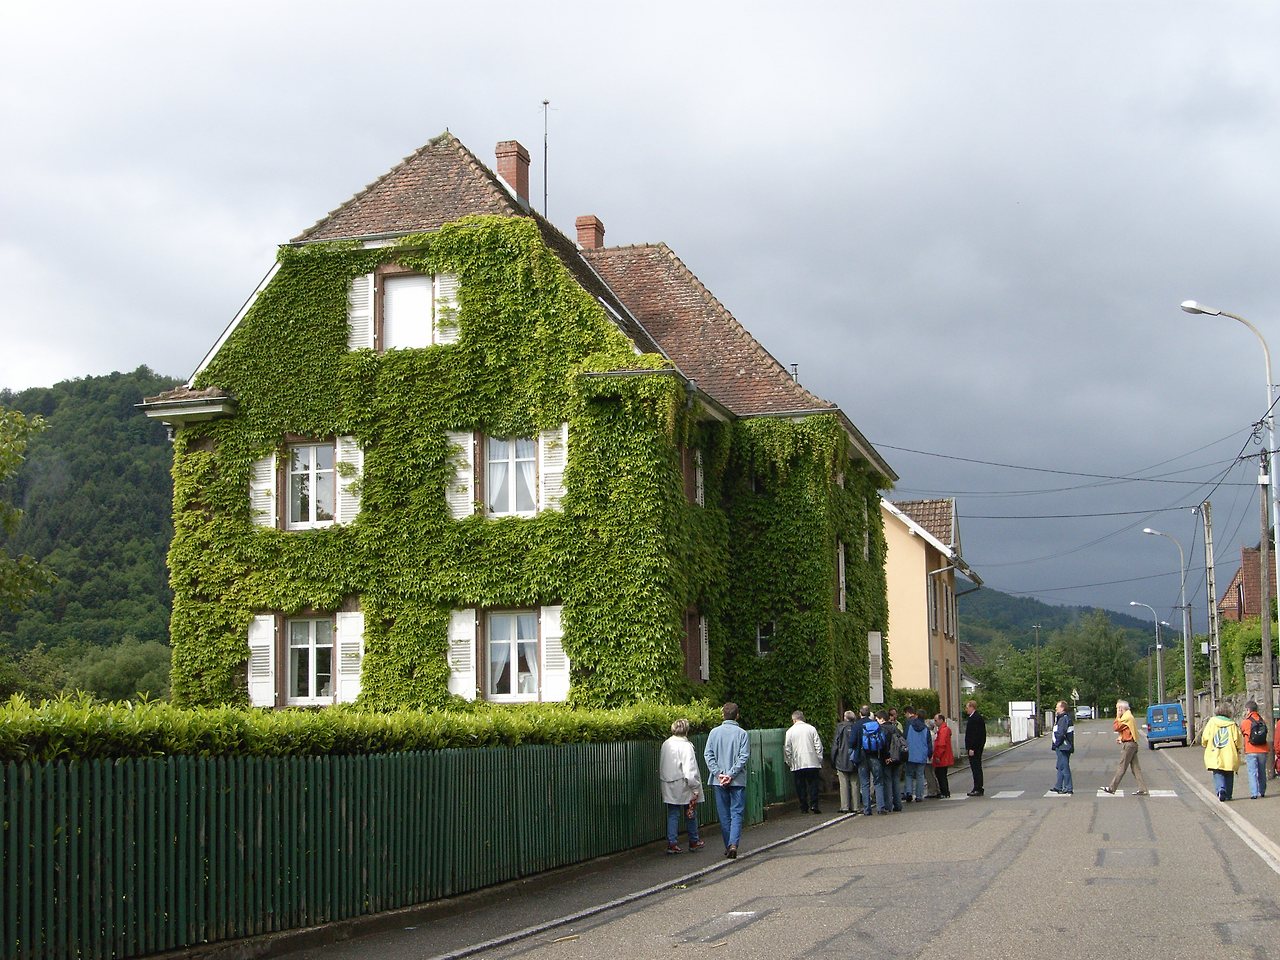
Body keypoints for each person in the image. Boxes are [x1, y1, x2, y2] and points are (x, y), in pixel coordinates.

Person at [704, 702, 751, 859]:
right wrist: (731, 774)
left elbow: (708, 755)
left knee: (724, 815)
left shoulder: (714, 733)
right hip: (737, 780)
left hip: (718, 781)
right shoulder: (742, 734)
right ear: (737, 715)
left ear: (722, 714)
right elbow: (743, 757)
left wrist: (719, 774)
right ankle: (733, 844)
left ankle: (728, 845)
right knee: (736, 813)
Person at [658, 718, 705, 853]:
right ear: (686, 730)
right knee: (690, 812)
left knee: (673, 813)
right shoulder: (686, 746)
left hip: (668, 782)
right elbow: (690, 769)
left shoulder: (666, 743)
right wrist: (695, 787)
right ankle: (694, 841)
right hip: (683, 783)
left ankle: (672, 843)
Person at [1103, 699, 1149, 796]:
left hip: (1129, 745)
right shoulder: (1129, 716)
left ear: (1121, 708)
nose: (1117, 710)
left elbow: (1116, 727)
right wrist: (1121, 738)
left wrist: (1117, 715)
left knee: (1122, 767)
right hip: (1132, 744)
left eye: (1117, 708)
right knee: (1136, 768)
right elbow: (1127, 730)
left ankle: (1112, 788)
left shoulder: (1126, 717)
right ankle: (1143, 789)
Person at [784, 710, 824, 814]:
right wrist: (819, 758)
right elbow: (818, 745)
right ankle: (814, 804)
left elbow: (787, 749)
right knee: (813, 784)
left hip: (798, 762)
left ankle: (803, 806)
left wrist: (789, 761)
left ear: (794, 719)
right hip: (812, 761)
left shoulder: (790, 731)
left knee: (800, 785)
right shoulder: (811, 729)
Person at [1202, 702, 1243, 802]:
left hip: (1215, 753)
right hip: (1229, 754)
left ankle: (1221, 789)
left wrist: (1205, 744)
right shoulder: (1232, 724)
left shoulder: (1212, 722)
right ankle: (1228, 794)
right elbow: (1238, 740)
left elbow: (1205, 737)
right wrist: (1238, 748)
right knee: (1229, 773)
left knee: (1218, 772)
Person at [856, 705, 886, 815]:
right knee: (878, 782)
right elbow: (882, 741)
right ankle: (880, 807)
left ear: (860, 713)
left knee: (865, 784)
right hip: (875, 756)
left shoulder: (857, 725)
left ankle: (867, 809)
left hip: (862, 756)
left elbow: (851, 742)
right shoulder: (876, 725)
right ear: (870, 713)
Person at [831, 709, 862, 814]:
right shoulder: (857, 727)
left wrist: (833, 759)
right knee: (855, 783)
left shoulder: (840, 728)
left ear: (845, 717)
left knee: (843, 784)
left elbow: (835, 745)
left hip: (842, 759)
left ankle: (844, 806)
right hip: (855, 759)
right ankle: (856, 806)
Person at [903, 707, 933, 802]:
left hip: (910, 754)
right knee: (920, 775)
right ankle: (919, 796)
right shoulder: (926, 729)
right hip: (921, 755)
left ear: (916, 715)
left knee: (908, 774)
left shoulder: (909, 725)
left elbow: (904, 738)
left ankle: (908, 792)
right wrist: (929, 754)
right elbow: (929, 743)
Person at [1241, 699, 1268, 799]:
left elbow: (1242, 732)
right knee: (1262, 771)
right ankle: (1262, 791)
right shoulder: (1262, 720)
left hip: (1251, 750)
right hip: (1263, 750)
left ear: (1248, 710)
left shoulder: (1246, 722)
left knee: (1252, 772)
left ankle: (1254, 793)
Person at [1050, 700, 1074, 795]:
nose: (1056, 708)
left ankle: (1068, 787)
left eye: (1057, 707)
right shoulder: (1061, 718)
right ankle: (1058, 786)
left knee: (1064, 767)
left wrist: (1056, 744)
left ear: (1062, 708)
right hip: (1062, 746)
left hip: (1063, 746)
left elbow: (1061, 733)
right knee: (1060, 766)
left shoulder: (1064, 719)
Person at [964, 700, 987, 796]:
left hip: (974, 749)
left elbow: (976, 735)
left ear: (972, 707)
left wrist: (972, 748)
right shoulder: (975, 717)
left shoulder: (975, 718)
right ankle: (977, 787)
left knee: (976, 768)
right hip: (976, 748)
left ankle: (978, 787)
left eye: (967, 707)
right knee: (976, 768)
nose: (966, 709)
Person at [932, 714, 954, 798]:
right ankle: (945, 791)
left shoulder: (943, 731)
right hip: (944, 756)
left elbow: (941, 744)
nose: (935, 722)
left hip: (942, 757)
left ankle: (944, 792)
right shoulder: (944, 730)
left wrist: (937, 756)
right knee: (942, 774)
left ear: (941, 720)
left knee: (941, 774)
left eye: (936, 720)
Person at [923, 716, 941, 798]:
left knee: (928, 774)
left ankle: (932, 791)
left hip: (928, 757)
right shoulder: (934, 734)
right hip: (932, 756)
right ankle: (936, 789)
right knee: (932, 773)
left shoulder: (928, 734)